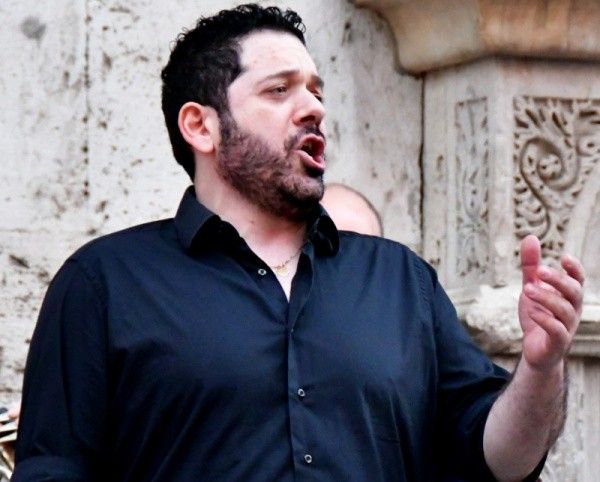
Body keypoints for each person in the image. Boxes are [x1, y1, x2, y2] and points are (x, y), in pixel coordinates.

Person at [13, 4, 584, 481]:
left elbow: (500, 461)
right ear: (201, 126)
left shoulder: (401, 280)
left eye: (315, 90)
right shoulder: (104, 284)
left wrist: (540, 368)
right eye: (279, 90)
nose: (313, 108)